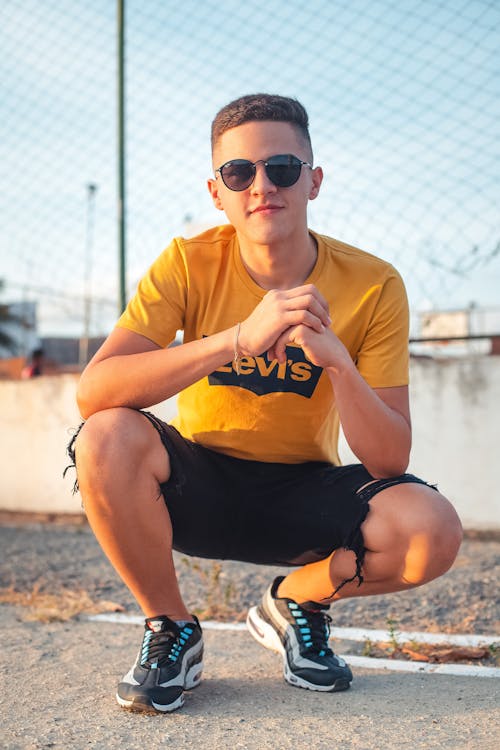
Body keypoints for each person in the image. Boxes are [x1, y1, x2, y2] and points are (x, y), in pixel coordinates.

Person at [68, 93, 462, 714]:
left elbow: (390, 458)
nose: (261, 187)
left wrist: (337, 363)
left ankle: (297, 601)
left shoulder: (373, 282)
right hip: (199, 486)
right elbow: (94, 391)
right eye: (239, 172)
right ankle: (171, 628)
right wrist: (233, 341)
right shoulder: (186, 263)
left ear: (314, 181)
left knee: (431, 530)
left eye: (282, 168)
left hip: (305, 494)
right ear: (216, 191)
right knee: (105, 435)